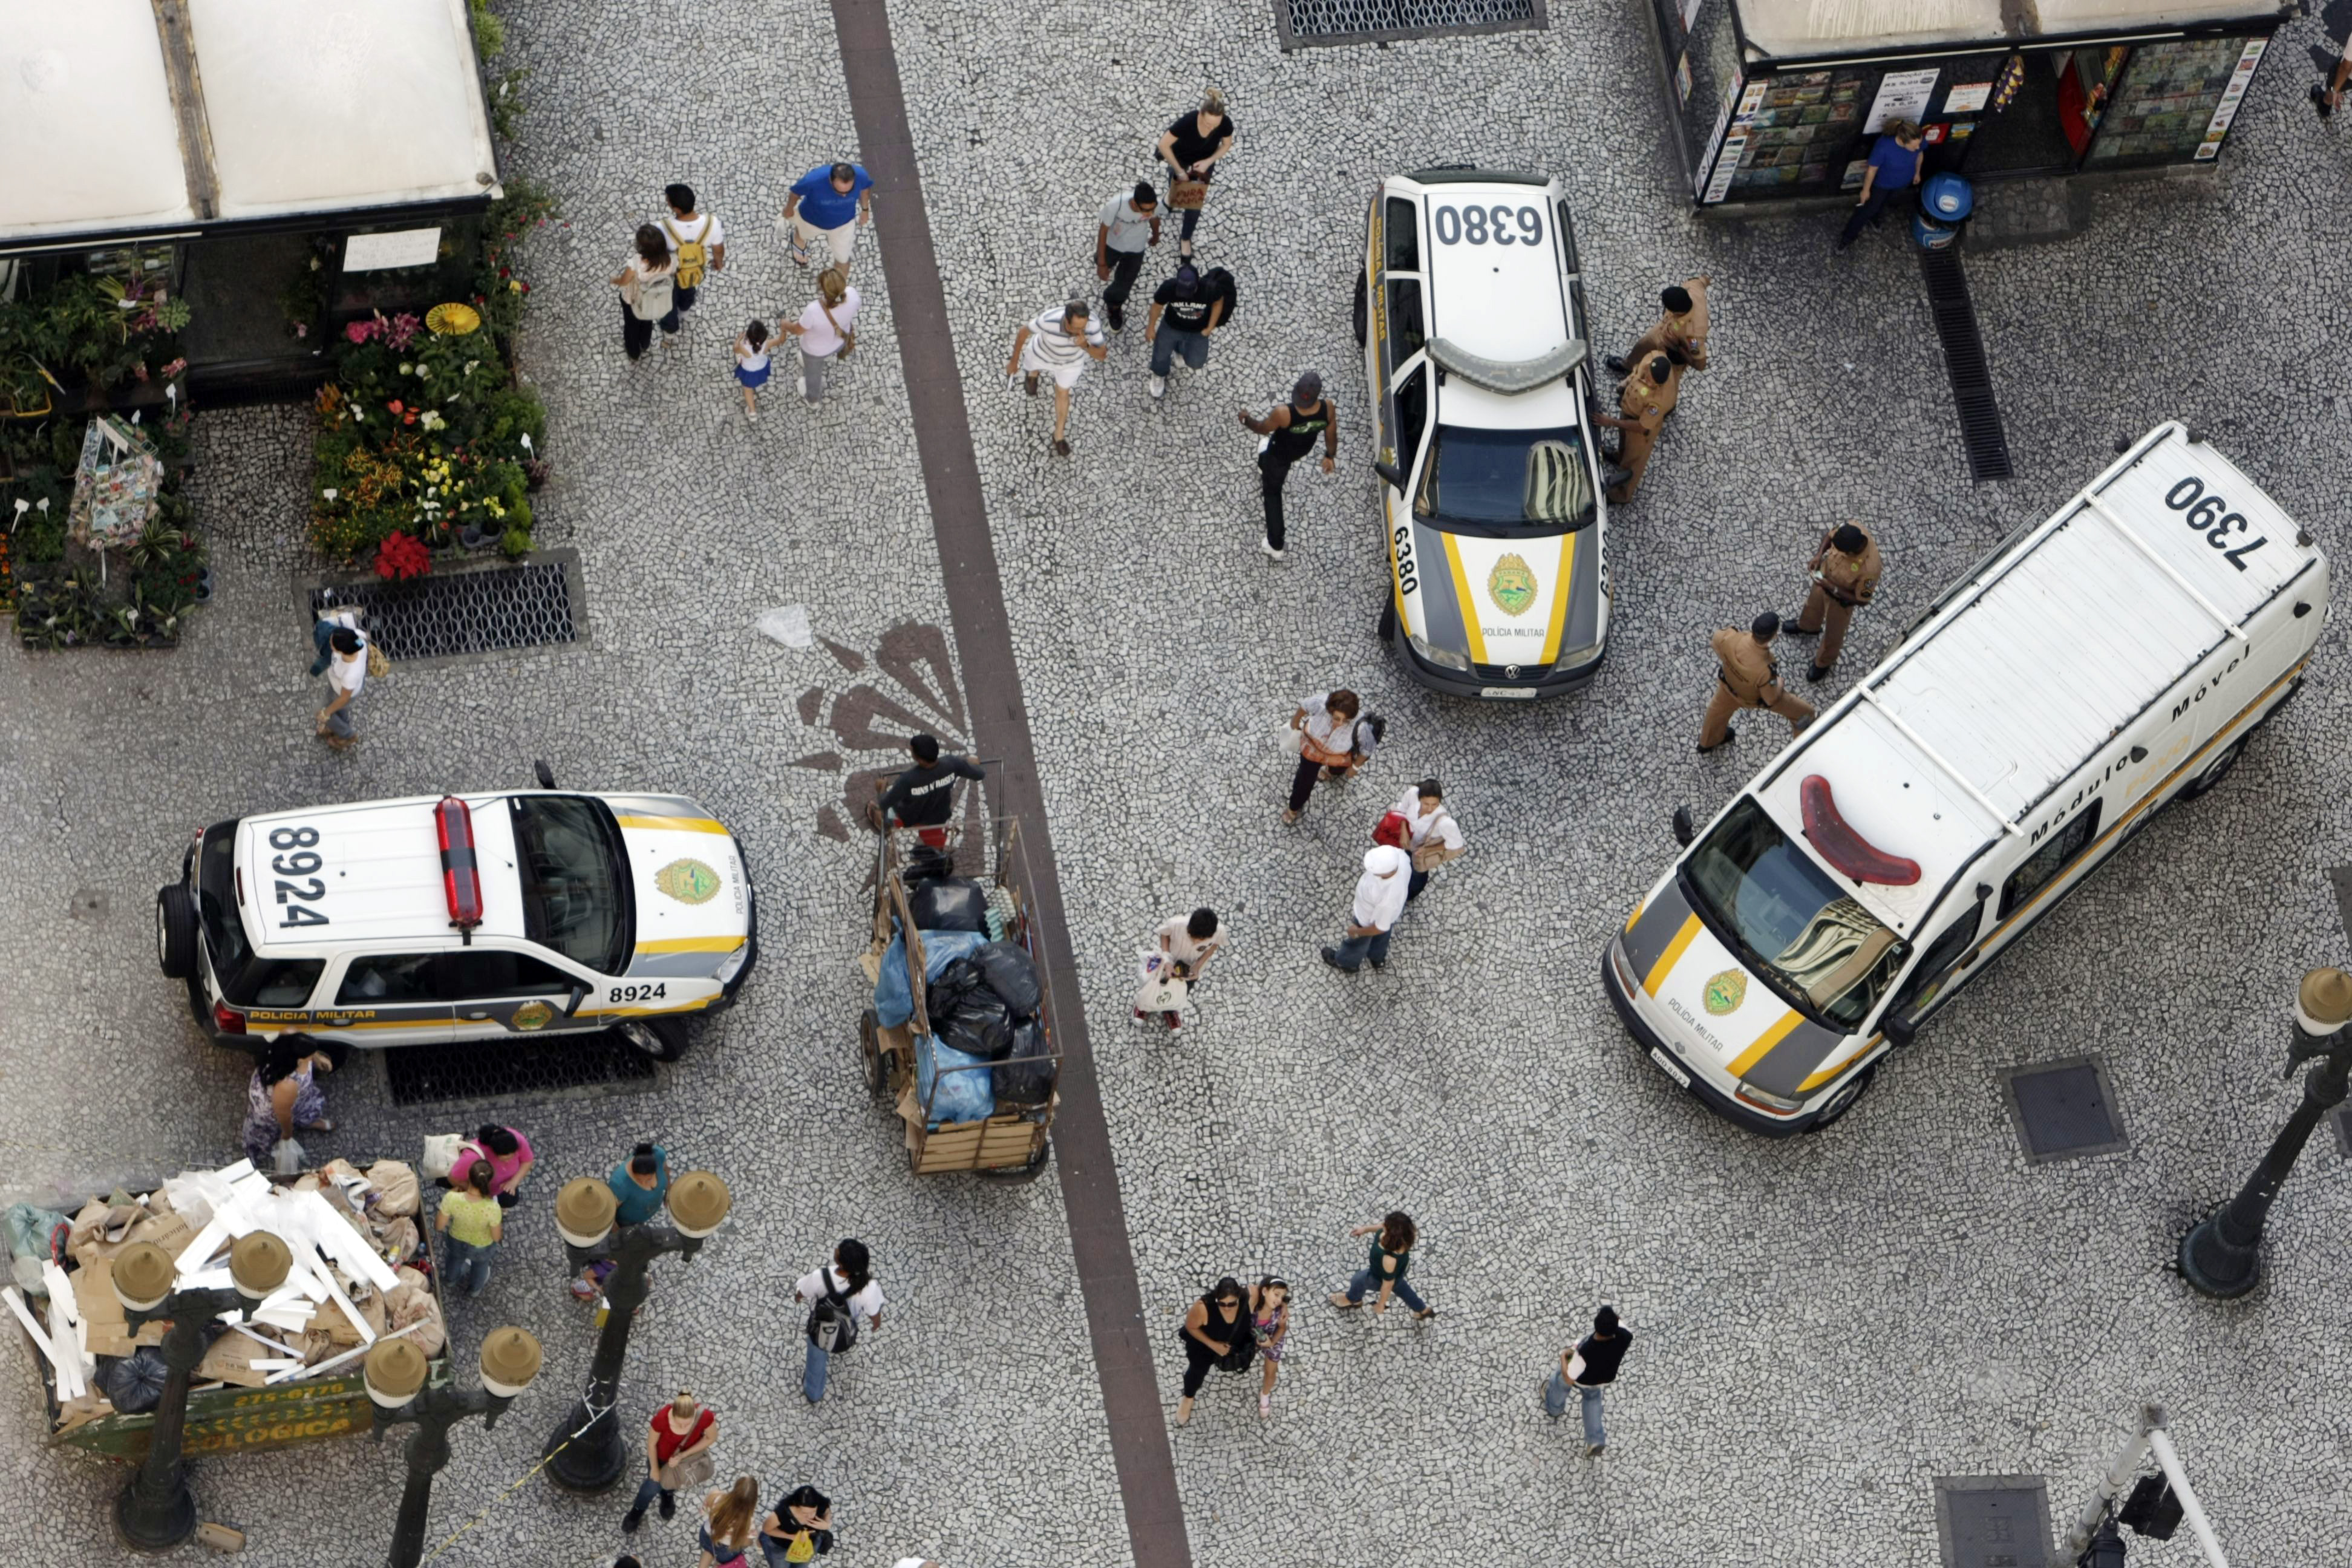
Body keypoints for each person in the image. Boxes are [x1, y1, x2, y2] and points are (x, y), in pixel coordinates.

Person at [1238, 373, 1335, 561]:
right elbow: (1331, 432)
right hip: (1301, 449)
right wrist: (1330, 456)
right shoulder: (1328, 408)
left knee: (1272, 493)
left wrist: (1246, 419)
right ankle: (1262, 463)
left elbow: (1262, 429)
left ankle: (1276, 544)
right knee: (1268, 458)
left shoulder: (1284, 413)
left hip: (1280, 455)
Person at [1699, 611, 1816, 753]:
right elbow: (1771, 698)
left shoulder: (1731, 637)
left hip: (1728, 687)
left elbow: (1715, 641)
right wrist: (1779, 683)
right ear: (1774, 635)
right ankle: (1798, 753)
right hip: (1752, 699)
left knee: (1716, 712)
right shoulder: (1766, 670)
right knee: (1804, 713)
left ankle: (1707, 743)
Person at [1005, 299, 1108, 457]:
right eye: (1076, 328)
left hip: (1069, 364)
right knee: (1032, 367)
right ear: (1066, 320)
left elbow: (1102, 355)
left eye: (1083, 328)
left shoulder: (1092, 324)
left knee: (1063, 392)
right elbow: (1023, 333)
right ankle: (1033, 374)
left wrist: (1086, 346)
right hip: (1042, 354)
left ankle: (1058, 435)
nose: (1080, 332)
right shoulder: (1048, 320)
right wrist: (1014, 361)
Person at [1785, 521, 1883, 681]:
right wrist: (1819, 555)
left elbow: (1862, 601)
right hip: (1823, 580)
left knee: (1834, 633)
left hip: (1840, 600)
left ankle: (1824, 662)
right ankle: (1808, 627)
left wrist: (1833, 589)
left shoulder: (1870, 569)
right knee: (1811, 608)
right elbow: (1829, 537)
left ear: (1851, 552)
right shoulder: (1850, 527)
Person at [792, 1238, 885, 1404]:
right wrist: (876, 1324)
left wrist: (798, 1297)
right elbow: (874, 1313)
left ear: (841, 1263)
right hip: (846, 1328)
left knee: (816, 1360)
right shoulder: (869, 1287)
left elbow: (802, 1291)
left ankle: (814, 1393)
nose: (836, 1249)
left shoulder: (820, 1276)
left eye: (839, 1250)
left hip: (820, 1327)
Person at [574, 1142, 670, 1300]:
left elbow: (666, 1171)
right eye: (641, 1180)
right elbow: (609, 1213)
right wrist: (620, 1236)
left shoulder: (658, 1155)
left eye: (650, 1178)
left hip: (641, 1219)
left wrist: (669, 1190)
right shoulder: (620, 1184)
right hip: (625, 1224)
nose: (647, 1183)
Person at [238, 1036, 345, 1167]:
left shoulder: (289, 1046)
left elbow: (297, 1037)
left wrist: (317, 1057)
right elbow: (284, 1115)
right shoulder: (287, 1085)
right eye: (309, 1057)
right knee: (266, 1130)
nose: (311, 1058)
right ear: (299, 1062)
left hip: (296, 1100)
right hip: (275, 1110)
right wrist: (287, 1133)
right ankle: (252, 1154)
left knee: (302, 1108)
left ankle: (308, 1121)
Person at [1544, 1305, 1633, 1458]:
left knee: (1560, 1380)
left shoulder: (1586, 1351)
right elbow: (1618, 1320)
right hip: (1604, 1377)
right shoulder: (1625, 1335)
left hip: (1582, 1378)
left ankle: (1554, 1407)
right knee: (1592, 1400)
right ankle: (1595, 1439)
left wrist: (1564, 1356)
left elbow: (1569, 1377)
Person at [622, 1391, 718, 1534]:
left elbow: (711, 1438)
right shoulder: (661, 1419)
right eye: (679, 1423)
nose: (682, 1428)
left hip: (683, 1461)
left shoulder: (704, 1416)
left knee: (673, 1481)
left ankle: (667, 1495)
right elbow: (651, 1445)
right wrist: (654, 1469)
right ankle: (637, 1512)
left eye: (688, 1424)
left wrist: (682, 1456)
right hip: (660, 1461)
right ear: (673, 1413)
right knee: (649, 1489)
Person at [1155, 89, 1235, 256]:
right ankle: (1171, 199)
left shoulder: (1225, 123)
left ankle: (1186, 238)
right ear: (1200, 114)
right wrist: (1180, 171)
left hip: (1203, 163)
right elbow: (1163, 145)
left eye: (1216, 125)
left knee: (1193, 203)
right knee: (1176, 182)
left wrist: (1208, 162)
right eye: (1208, 124)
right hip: (1180, 159)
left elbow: (1227, 145)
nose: (1212, 128)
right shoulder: (1188, 122)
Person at [1593, 351, 1678, 506]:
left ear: (1658, 385)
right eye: (1647, 375)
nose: (1646, 380)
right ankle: (1619, 456)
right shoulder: (1652, 359)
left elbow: (1641, 427)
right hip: (1629, 411)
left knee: (1633, 462)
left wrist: (1612, 422)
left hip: (1641, 429)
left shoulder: (1659, 400)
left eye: (1650, 381)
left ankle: (1621, 495)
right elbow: (1636, 372)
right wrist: (1625, 385)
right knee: (1623, 441)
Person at [871, 733, 984, 847]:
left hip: (909, 817)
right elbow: (980, 775)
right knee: (936, 844)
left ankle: (886, 824)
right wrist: (969, 763)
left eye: (912, 751)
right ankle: (936, 856)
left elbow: (884, 803)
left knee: (889, 811)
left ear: (920, 760)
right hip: (936, 817)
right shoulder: (952, 764)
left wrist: (882, 788)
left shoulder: (907, 779)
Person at [1173, 1276, 1255, 1425]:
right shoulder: (1203, 1307)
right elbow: (1191, 1327)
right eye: (1222, 1303)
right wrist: (1213, 1345)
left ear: (1238, 1297)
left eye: (1232, 1303)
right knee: (1196, 1372)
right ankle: (1188, 1397)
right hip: (1204, 1348)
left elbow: (1270, 1290)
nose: (1227, 1307)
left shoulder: (1248, 1297)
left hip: (1234, 1343)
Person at [773, 267, 860, 405]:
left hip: (815, 351)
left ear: (823, 289)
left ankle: (813, 399)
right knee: (817, 363)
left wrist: (785, 324)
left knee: (813, 376)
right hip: (841, 340)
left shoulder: (813, 310)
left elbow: (797, 331)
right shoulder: (853, 294)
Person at [1281, 689, 1369, 824]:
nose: (1340, 724)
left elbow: (1367, 747)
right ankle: (1294, 807)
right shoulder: (1321, 703)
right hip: (1313, 749)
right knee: (1305, 780)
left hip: (1339, 754)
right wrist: (1295, 721)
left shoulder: (1361, 725)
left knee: (1338, 768)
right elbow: (1305, 706)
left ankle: (1332, 772)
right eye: (1337, 718)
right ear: (1330, 711)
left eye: (1346, 721)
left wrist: (1355, 767)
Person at [1836, 119, 1924, 250]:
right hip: (1882, 185)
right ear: (1902, 140)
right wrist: (1865, 191)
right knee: (1867, 210)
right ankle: (1847, 238)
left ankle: (1875, 219)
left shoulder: (1917, 140)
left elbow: (1920, 154)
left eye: (1919, 144)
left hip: (1902, 183)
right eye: (1914, 146)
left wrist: (1917, 172)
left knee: (1885, 204)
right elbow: (1872, 170)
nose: (1918, 148)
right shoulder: (1884, 147)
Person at [1328, 1211, 1434, 1319]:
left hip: (1378, 1276)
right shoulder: (1404, 1236)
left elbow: (1388, 1284)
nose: (1383, 1225)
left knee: (1358, 1280)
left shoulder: (1389, 1259)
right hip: (1398, 1272)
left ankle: (1353, 1299)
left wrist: (1380, 1305)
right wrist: (1365, 1229)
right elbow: (1381, 1227)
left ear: (1392, 1235)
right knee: (1402, 1288)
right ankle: (1422, 1309)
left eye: (1386, 1226)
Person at [1322, 844, 1409, 974]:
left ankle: (1347, 963)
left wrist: (1357, 932)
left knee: (1357, 943)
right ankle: (1377, 958)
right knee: (1382, 936)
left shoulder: (1388, 898)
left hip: (1366, 920)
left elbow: (1379, 928)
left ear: (1386, 872)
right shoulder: (1401, 858)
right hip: (1385, 916)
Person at [1143, 261, 1224, 400]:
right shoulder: (1170, 287)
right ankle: (1159, 374)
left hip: (1198, 330)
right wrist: (1151, 327)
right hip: (1172, 326)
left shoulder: (1209, 288)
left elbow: (1218, 302)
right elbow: (1157, 306)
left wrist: (1210, 327)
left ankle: (1179, 350)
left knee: (1196, 362)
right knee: (1161, 354)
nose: (1185, 295)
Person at [1135, 908, 1221, 1031]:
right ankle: (1143, 1006)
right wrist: (1167, 960)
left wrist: (1199, 965)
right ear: (1189, 928)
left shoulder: (1219, 932)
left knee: (1180, 992)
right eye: (1193, 937)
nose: (1196, 942)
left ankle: (1169, 1010)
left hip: (1189, 970)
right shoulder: (1176, 924)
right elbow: (1164, 934)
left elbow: (1215, 945)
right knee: (1152, 984)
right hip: (1167, 963)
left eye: (1201, 940)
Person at [1607, 278, 1710, 376]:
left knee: (1661, 376)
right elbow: (1701, 281)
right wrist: (1706, 279)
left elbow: (1700, 363)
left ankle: (1637, 384)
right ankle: (1628, 366)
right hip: (1662, 330)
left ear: (1676, 312)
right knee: (1642, 345)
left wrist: (1682, 353)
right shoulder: (1692, 288)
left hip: (1671, 350)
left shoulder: (1693, 335)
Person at [782, 160, 874, 271]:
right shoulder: (813, 180)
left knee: (843, 260)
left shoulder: (861, 176)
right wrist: (789, 209)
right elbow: (795, 193)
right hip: (811, 219)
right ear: (830, 180)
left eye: (849, 191)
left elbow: (865, 189)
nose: (844, 196)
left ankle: (838, 286)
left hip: (844, 223)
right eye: (839, 192)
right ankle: (797, 238)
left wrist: (865, 210)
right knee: (801, 234)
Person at [1095, 182, 1160, 332]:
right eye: (1146, 211)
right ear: (1134, 204)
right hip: (1113, 244)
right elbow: (1103, 230)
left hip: (1136, 250)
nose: (1150, 214)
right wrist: (1101, 263)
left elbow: (1155, 219)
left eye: (1153, 209)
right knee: (1103, 260)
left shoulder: (1150, 207)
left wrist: (1156, 235)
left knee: (1124, 284)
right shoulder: (1115, 205)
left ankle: (1114, 306)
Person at [656, 183, 725, 322]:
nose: (667, 202)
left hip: (671, 272)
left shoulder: (663, 227)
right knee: (689, 289)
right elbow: (718, 249)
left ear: (676, 209)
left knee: (669, 294)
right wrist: (718, 263)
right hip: (693, 268)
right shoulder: (712, 223)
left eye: (668, 201)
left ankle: (670, 319)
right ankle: (684, 310)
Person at [434, 1157, 502, 1296]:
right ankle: (474, 1290)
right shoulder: (493, 1208)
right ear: (489, 1182)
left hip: (456, 1240)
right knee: (480, 1266)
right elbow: (496, 1237)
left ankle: (450, 1280)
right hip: (481, 1246)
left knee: (454, 1260)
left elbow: (439, 1227)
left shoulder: (452, 1198)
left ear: (468, 1177)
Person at [611, 223, 678, 359]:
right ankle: (645, 343)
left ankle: (634, 352)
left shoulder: (636, 263)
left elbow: (624, 281)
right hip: (653, 299)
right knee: (647, 320)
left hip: (634, 299)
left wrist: (614, 280)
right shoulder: (671, 261)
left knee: (631, 326)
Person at [1393, 779, 1466, 903]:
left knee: (1417, 875)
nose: (1430, 809)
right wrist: (1404, 830)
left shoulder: (1445, 822)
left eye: (1435, 804)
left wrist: (1427, 849)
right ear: (1420, 798)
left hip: (1420, 852)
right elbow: (1402, 810)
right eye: (1426, 804)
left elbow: (1456, 845)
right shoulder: (1412, 794)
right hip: (1406, 842)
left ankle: (1409, 896)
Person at [312, 616, 368, 750]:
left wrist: (326, 713)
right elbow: (364, 635)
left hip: (342, 692)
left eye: (332, 645)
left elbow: (344, 698)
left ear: (342, 650)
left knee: (320, 712)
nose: (330, 645)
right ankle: (340, 728)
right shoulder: (357, 640)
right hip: (338, 686)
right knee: (341, 712)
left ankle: (347, 735)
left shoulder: (351, 673)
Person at [457, 1124, 534, 1209]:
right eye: (506, 1159)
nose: (509, 1161)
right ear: (494, 1152)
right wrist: (478, 1195)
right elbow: (454, 1178)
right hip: (483, 1191)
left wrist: (514, 1182)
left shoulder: (516, 1140)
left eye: (513, 1156)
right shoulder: (473, 1155)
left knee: (510, 1201)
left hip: (504, 1186)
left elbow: (528, 1160)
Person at [757, 1486, 834, 1566]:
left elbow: (827, 1512)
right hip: (781, 1547)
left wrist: (826, 1525)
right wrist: (792, 1537)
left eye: (813, 1512)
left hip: (808, 1546)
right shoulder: (782, 1513)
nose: (810, 1516)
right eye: (804, 1513)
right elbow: (767, 1529)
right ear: (796, 1506)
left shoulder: (821, 1504)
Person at [1248, 1276, 1290, 1420]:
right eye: (1276, 1294)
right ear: (1265, 1291)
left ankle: (1265, 1395)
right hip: (1251, 1338)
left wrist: (1271, 1343)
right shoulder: (1252, 1306)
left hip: (1273, 1337)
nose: (1279, 1300)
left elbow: (1282, 1328)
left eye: (1282, 1297)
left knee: (1271, 1372)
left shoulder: (1279, 1313)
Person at [699, 1476, 762, 1567]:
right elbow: (747, 1542)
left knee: (709, 1551)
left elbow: (703, 1512)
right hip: (726, 1549)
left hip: (707, 1535)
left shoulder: (715, 1496)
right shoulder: (748, 1522)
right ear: (753, 1501)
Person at [733, 321, 774, 423]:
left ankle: (752, 412)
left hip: (749, 373)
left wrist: (739, 339)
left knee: (748, 389)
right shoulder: (767, 343)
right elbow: (779, 340)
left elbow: (735, 349)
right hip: (762, 370)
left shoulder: (744, 348)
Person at [2314, 28, 2352, 114]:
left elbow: (2345, 69)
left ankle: (2326, 103)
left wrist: (2335, 90)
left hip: (2348, 77)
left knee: (2332, 86)